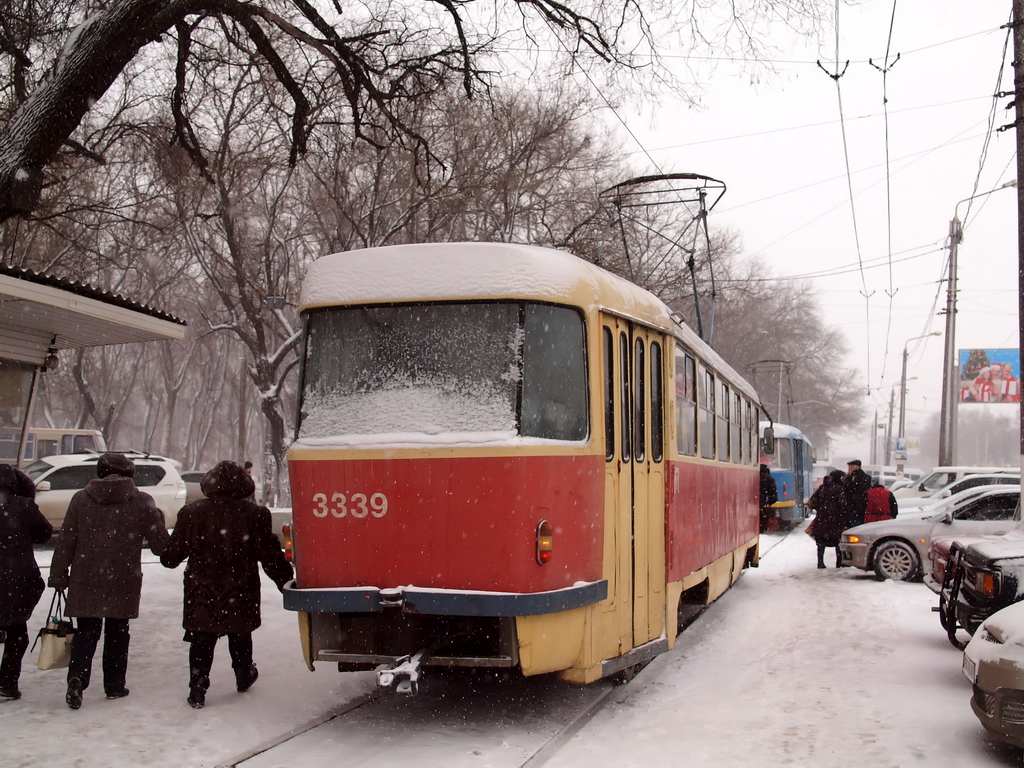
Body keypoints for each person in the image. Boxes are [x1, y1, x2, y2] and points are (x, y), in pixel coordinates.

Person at [160, 460, 293, 709]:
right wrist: (286, 582)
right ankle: (244, 673)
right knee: (240, 631)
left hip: (202, 589)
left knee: (202, 636)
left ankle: (198, 684)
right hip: (240, 587)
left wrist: (164, 545)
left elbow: (171, 558)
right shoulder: (255, 514)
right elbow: (270, 556)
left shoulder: (192, 513)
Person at [48, 452, 169, 710]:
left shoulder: (80, 499)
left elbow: (66, 540)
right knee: (118, 632)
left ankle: (77, 678)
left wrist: (58, 574)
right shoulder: (142, 501)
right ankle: (114, 686)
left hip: (86, 576)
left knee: (86, 632)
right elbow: (160, 546)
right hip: (123, 577)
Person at [0, 465, 52, 700]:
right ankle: (7, 683)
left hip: (14, 579)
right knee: (17, 634)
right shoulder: (24, 506)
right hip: (17, 580)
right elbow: (44, 534)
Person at [808, 470, 850, 569]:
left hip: (821, 519)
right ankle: (839, 562)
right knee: (838, 541)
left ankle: (820, 562)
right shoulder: (840, 489)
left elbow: (812, 502)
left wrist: (820, 509)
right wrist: (844, 514)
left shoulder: (822, 487)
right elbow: (842, 504)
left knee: (821, 542)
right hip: (835, 519)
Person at [843, 459, 871, 528]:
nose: (848, 469)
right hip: (862, 508)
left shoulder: (851, 478)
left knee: (853, 528)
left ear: (856, 467)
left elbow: (848, 491)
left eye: (850, 467)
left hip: (853, 507)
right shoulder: (866, 477)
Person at [759, 463, 778, 533]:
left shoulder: (754, 476)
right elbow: (773, 496)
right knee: (761, 523)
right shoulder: (769, 478)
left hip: (752, 504)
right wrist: (768, 502)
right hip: (761, 505)